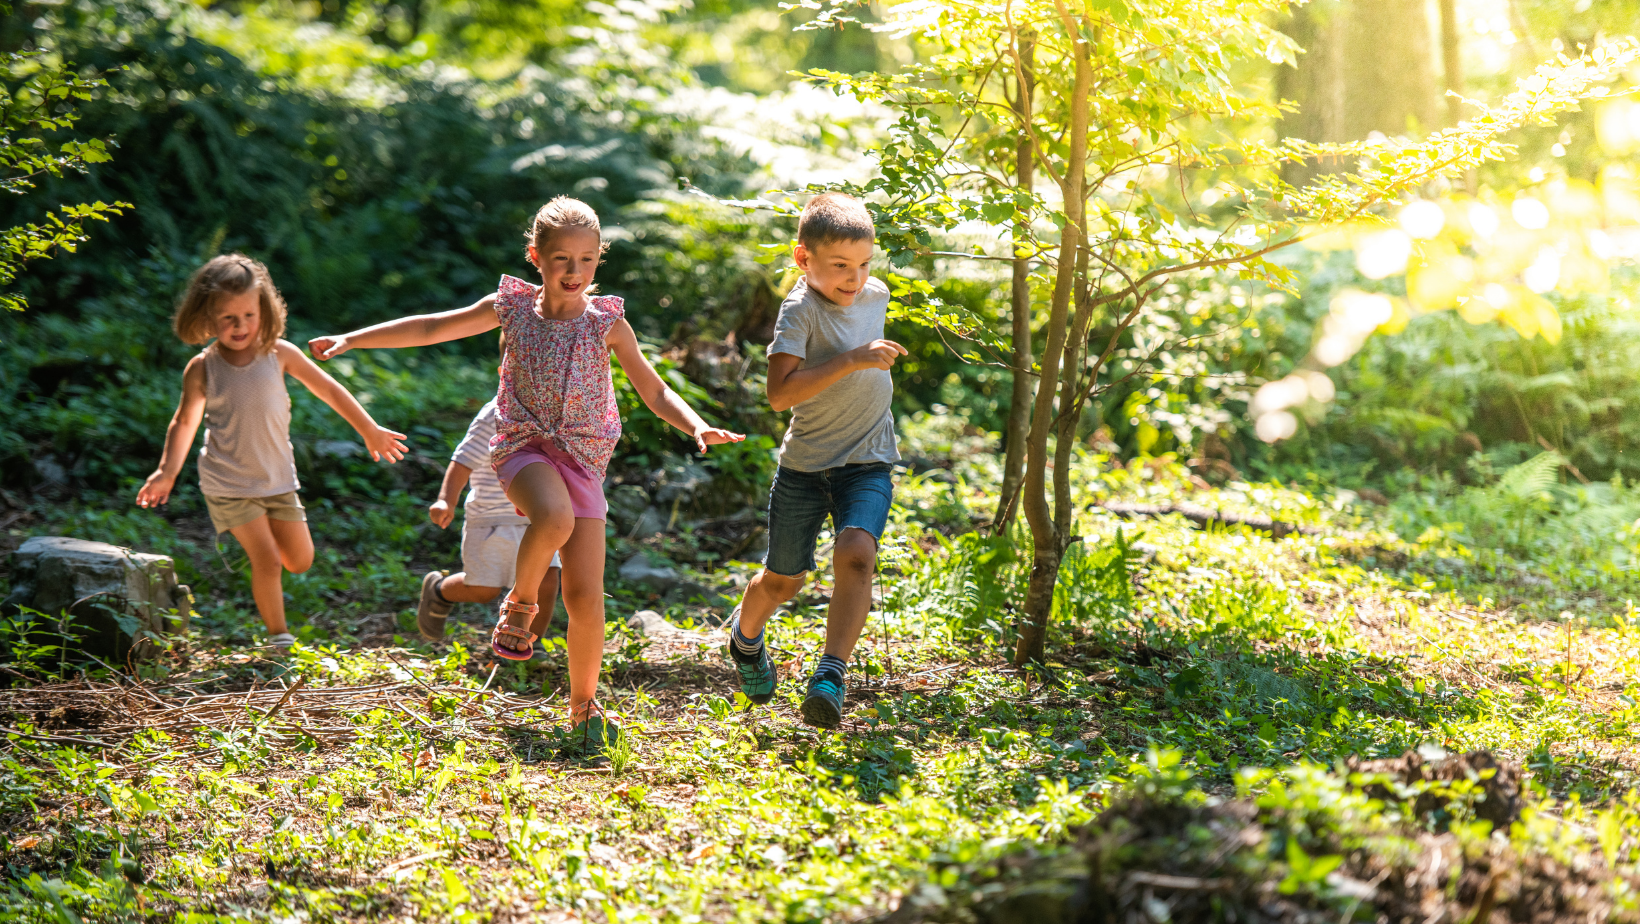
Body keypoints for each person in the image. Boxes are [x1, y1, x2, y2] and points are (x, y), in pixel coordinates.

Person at [308, 196, 743, 750]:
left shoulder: (609, 324)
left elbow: (653, 388)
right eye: (562, 259)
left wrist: (696, 425)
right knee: (553, 516)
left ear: (598, 261)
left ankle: (583, 707)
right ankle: (520, 604)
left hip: (584, 457)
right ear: (536, 257)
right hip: (522, 446)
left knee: (587, 596)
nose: (574, 272)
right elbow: (429, 328)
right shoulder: (510, 308)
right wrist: (355, 337)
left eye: (587, 260)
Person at [136, 254, 408, 651]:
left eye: (248, 314)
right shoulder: (202, 368)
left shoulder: (280, 353)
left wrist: (369, 428)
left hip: (277, 479)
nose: (240, 325)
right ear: (207, 317)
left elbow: (328, 388)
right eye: (227, 318)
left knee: (300, 560)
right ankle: (278, 637)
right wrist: (167, 472)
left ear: (264, 309)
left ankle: (266, 554)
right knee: (267, 559)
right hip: (228, 483)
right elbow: (184, 422)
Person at [723, 192, 905, 729]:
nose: (855, 278)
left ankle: (830, 672)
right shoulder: (799, 311)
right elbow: (780, 395)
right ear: (804, 260)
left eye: (864, 264)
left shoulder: (877, 295)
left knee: (856, 553)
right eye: (841, 266)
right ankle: (745, 638)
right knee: (784, 581)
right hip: (805, 468)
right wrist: (852, 360)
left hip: (868, 458)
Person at [419, 390, 561, 645]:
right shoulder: (495, 413)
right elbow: (464, 459)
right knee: (484, 590)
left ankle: (532, 642)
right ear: (504, 372)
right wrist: (446, 499)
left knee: (547, 580)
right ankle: (438, 591)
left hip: (538, 518)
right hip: (491, 518)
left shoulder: (558, 409)